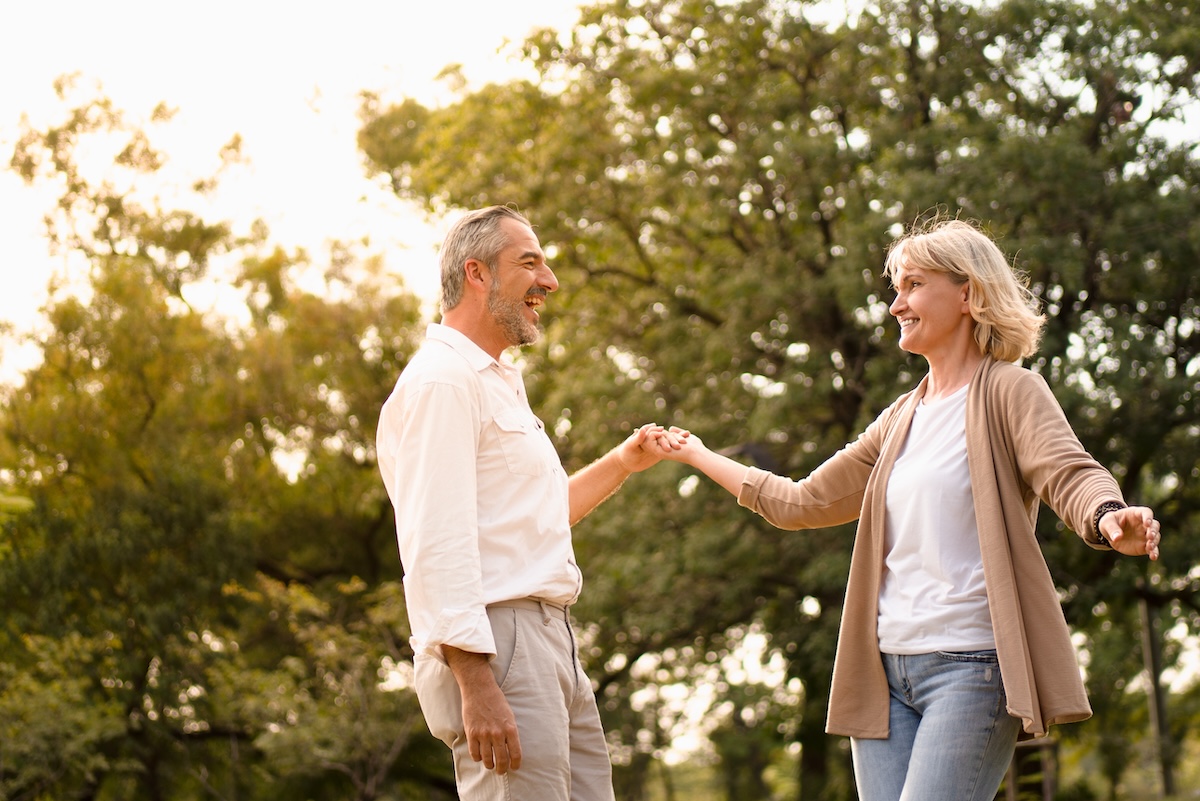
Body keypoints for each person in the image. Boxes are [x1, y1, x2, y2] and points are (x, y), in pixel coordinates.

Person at [660, 217, 1162, 800]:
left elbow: (1067, 472)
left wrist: (1107, 516)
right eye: (895, 289)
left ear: (969, 293)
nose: (897, 304)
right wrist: (698, 455)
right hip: (883, 675)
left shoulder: (1010, 391)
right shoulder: (900, 418)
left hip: (971, 670)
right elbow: (801, 501)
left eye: (913, 285)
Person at [375, 205, 683, 801]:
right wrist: (475, 679)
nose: (550, 281)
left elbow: (534, 523)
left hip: (549, 641)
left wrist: (623, 463)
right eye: (530, 262)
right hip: (495, 643)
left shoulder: (496, 382)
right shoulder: (442, 380)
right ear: (478, 274)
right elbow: (436, 539)